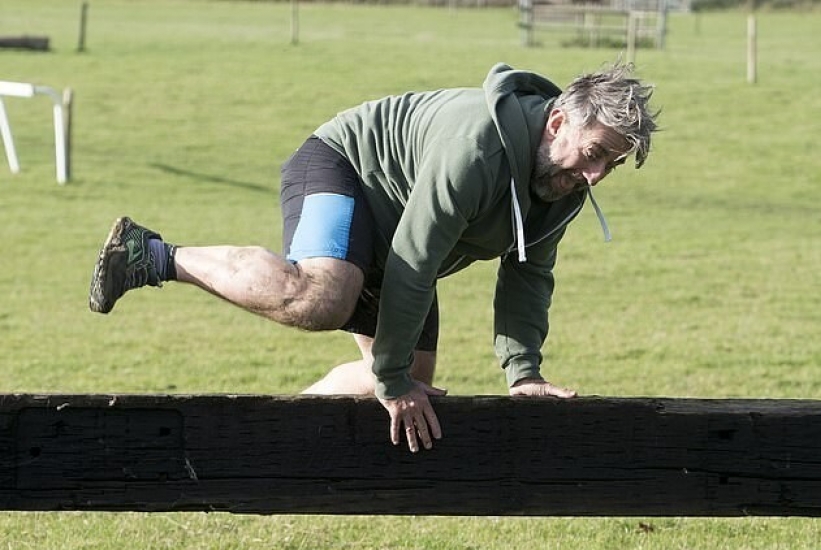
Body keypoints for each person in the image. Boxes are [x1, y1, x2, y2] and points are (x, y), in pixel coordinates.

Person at [89, 62, 658, 453]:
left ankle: (265, 431)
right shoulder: (475, 149)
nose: (595, 175)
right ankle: (152, 254)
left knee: (413, 381)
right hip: (346, 169)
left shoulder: (562, 185)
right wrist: (390, 378)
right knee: (322, 298)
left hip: (404, 237)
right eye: (594, 155)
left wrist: (524, 373)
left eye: (611, 164)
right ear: (558, 122)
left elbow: (529, 275)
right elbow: (416, 256)